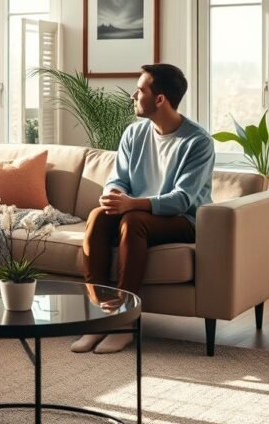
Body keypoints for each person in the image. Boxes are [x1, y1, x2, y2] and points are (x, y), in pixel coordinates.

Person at [73, 64, 215, 354]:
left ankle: (125, 324)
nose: (133, 96)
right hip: (135, 212)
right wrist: (113, 194)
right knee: (99, 216)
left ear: (160, 99)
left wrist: (131, 204)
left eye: (140, 90)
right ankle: (98, 318)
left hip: (183, 220)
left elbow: (182, 199)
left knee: (134, 221)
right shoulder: (134, 134)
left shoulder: (198, 142)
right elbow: (118, 178)